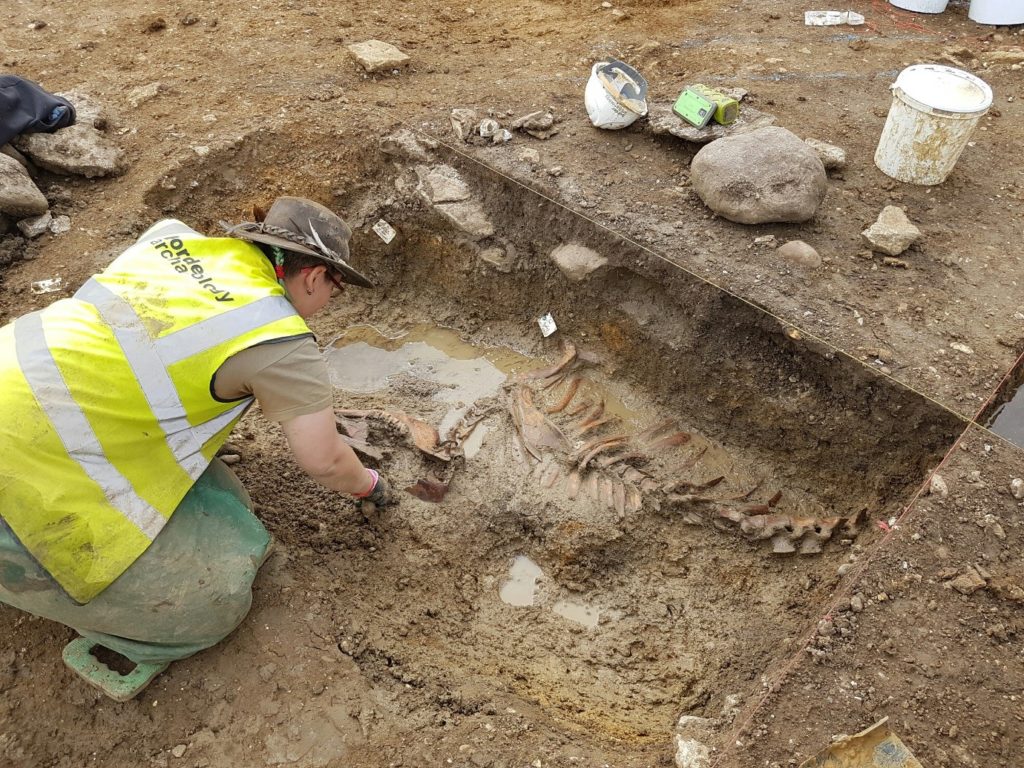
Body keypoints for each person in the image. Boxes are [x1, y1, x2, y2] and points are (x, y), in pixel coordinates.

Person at [0, 196, 388, 699]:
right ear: (313, 276)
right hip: (21, 474)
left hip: (26, 393)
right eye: (335, 290)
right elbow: (324, 460)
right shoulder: (280, 342)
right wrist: (370, 486)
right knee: (214, 602)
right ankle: (98, 616)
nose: (330, 303)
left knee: (225, 501)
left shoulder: (170, 238)